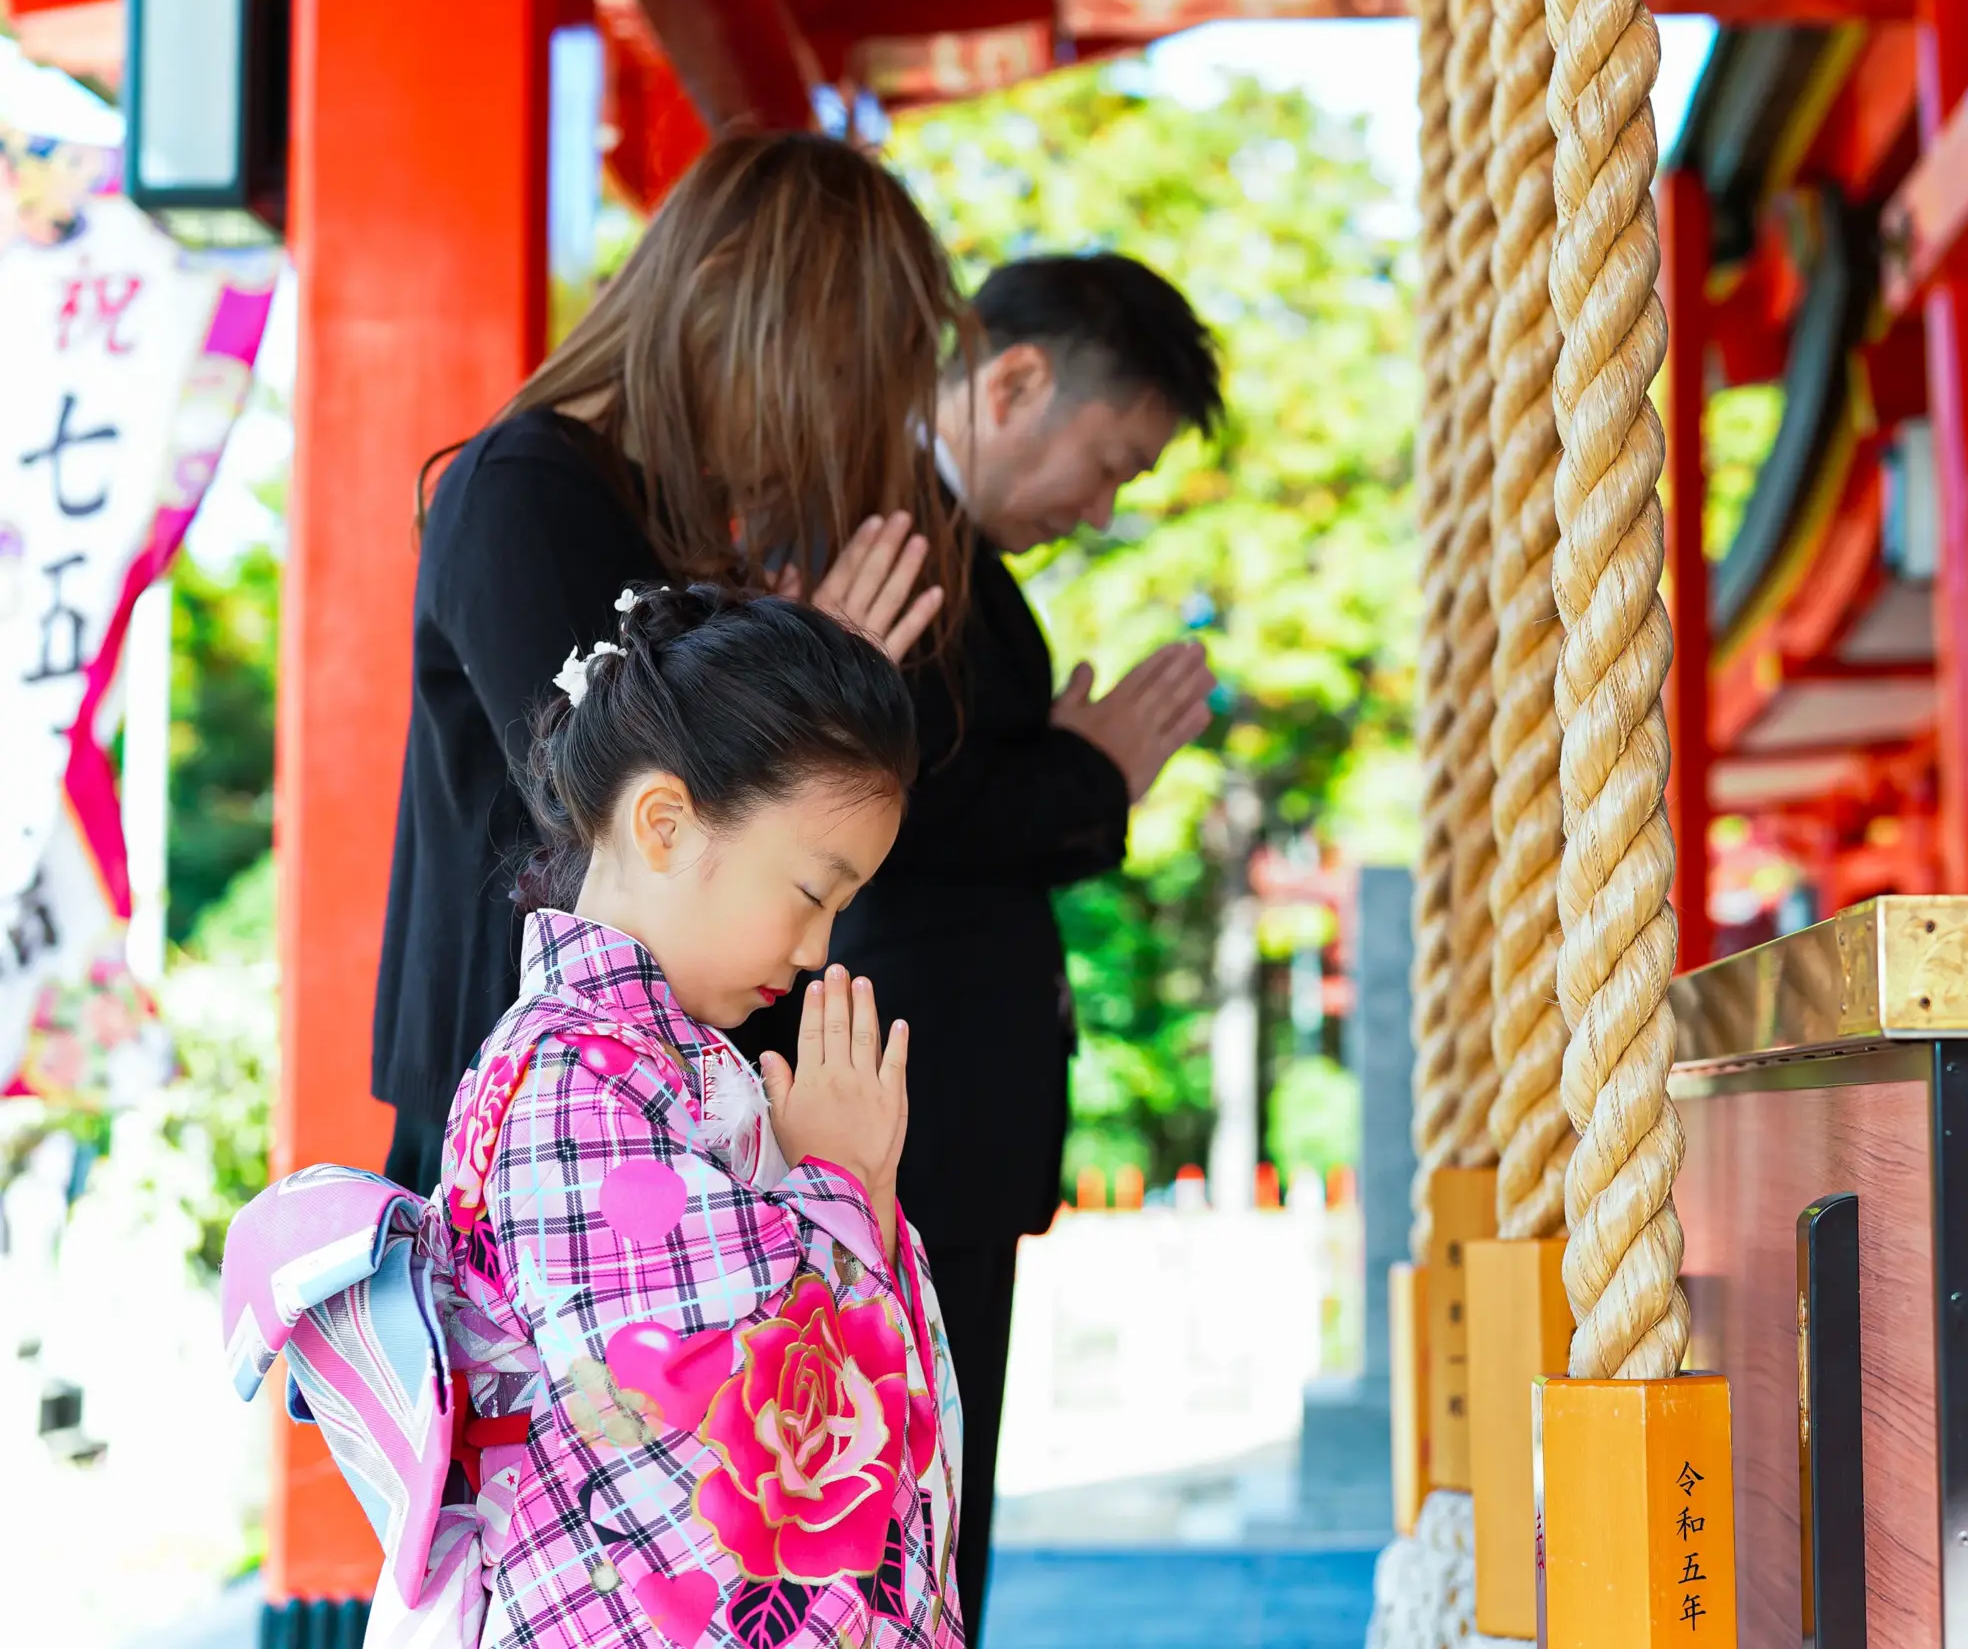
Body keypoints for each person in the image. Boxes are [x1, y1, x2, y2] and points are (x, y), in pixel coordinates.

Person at [222, 585, 964, 1647]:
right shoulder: (567, 1078)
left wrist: (833, 1195)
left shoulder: (637, 1062)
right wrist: (840, 1193)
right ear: (664, 823)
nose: (818, 951)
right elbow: (684, 1387)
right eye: (811, 893)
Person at [734, 253, 1223, 1638]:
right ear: (1012, 379)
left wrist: (1080, 769)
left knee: (930, 1489)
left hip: (929, 1103)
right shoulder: (878, 526)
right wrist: (1093, 776)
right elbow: (904, 799)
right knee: (889, 1491)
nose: (1103, 506)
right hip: (889, 1098)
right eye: (1109, 458)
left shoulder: (948, 548)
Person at [374, 131, 964, 1196]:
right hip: (526, 1100)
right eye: (833, 376)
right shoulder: (526, 490)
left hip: (621, 1097)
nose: (830, 428)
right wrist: (805, 706)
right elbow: (594, 808)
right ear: (724, 298)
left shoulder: (649, 514)